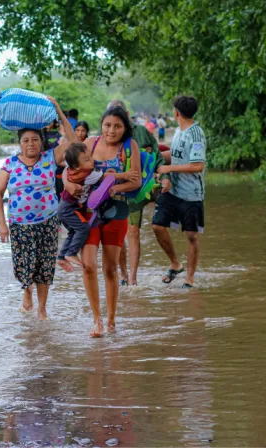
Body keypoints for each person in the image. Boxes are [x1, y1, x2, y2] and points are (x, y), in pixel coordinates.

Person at [0, 97, 76, 320]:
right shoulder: (10, 164)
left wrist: (58, 110)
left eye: (35, 140)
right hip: (20, 224)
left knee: (45, 265)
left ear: (41, 142)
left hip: (48, 221)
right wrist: (2, 224)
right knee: (24, 264)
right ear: (19, 144)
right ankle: (26, 291)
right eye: (26, 141)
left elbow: (73, 140)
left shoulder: (51, 157)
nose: (30, 144)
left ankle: (42, 309)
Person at [63, 106, 141, 337]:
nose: (111, 130)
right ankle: (96, 320)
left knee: (109, 269)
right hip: (87, 213)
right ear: (101, 125)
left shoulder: (130, 147)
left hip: (116, 212)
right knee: (88, 266)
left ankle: (111, 320)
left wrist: (112, 188)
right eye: (107, 125)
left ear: (125, 127)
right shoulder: (91, 144)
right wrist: (68, 186)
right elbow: (67, 169)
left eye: (117, 126)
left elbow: (135, 181)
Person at [106, 99, 170, 286]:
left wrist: (161, 174)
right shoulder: (105, 136)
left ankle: (132, 278)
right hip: (113, 192)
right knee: (118, 235)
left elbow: (156, 153)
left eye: (120, 115)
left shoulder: (139, 132)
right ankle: (124, 275)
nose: (113, 126)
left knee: (133, 232)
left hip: (136, 190)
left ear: (126, 114)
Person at [152, 95, 207, 288]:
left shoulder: (196, 133)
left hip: (191, 194)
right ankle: (175, 264)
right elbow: (174, 155)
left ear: (176, 112)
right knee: (157, 226)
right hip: (172, 191)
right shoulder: (177, 131)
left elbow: (198, 165)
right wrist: (153, 157)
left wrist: (169, 169)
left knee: (191, 235)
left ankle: (189, 278)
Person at [57, 142, 119, 268]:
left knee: (73, 232)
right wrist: (125, 175)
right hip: (68, 209)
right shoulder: (88, 175)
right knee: (84, 228)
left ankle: (61, 256)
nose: (92, 161)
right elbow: (106, 177)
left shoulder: (74, 167)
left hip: (63, 208)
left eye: (91, 157)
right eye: (87, 160)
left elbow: (65, 167)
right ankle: (71, 253)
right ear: (77, 166)